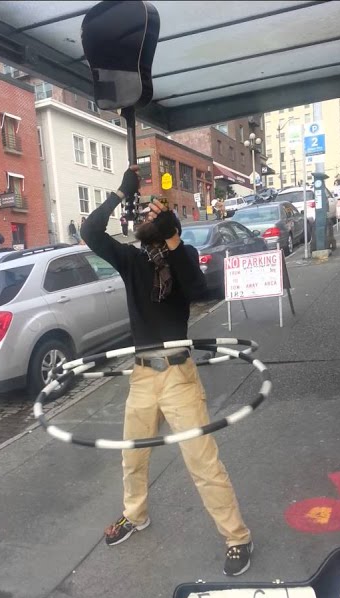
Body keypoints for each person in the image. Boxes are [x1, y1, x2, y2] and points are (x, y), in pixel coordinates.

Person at [81, 165, 255, 576]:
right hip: (142, 375)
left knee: (202, 461)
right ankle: (135, 515)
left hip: (178, 376)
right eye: (144, 215)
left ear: (165, 227)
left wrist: (175, 236)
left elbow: (199, 291)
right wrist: (120, 195)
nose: (144, 219)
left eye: (151, 216)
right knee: (133, 457)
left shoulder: (182, 258)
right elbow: (90, 232)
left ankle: (237, 537)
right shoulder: (131, 260)